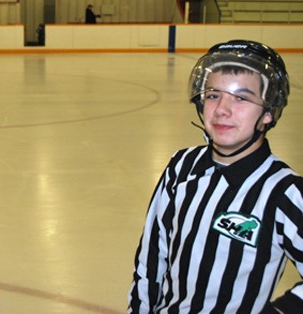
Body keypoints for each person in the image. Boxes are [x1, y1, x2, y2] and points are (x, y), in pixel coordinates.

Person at [127, 40, 302, 313]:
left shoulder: (283, 191)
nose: (222, 109)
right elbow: (152, 258)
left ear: (268, 112)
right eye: (212, 95)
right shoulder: (181, 167)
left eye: (241, 98)